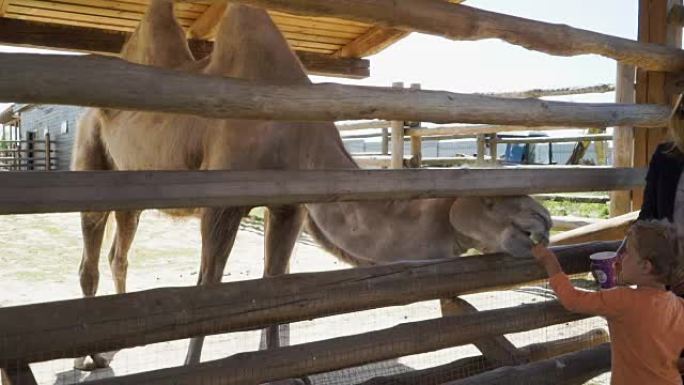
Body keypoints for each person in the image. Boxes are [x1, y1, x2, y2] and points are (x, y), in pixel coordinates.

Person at [531, 220, 684, 385]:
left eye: (628, 253)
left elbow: (572, 300)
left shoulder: (622, 300)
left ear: (645, 266)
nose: (620, 257)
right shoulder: (679, 305)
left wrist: (550, 262)